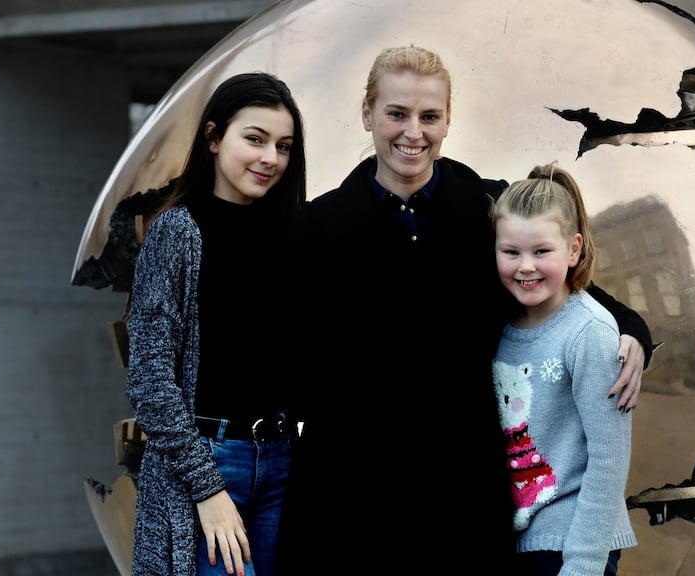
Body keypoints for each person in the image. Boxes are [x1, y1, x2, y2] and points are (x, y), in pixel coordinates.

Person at [276, 45, 651, 572]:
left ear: (448, 121)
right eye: (396, 114)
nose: (413, 132)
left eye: (429, 116)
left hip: (465, 510)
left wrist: (632, 330)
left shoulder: (482, 209)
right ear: (367, 114)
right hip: (349, 507)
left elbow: (564, 281)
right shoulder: (318, 227)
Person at [126, 71, 307, 576]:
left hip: (282, 463)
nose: (270, 157)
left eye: (284, 145)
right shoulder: (177, 232)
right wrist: (207, 489)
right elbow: (149, 377)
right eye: (255, 138)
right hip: (207, 463)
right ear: (212, 138)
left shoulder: (294, 233)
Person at [492, 163, 637, 575]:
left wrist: (584, 564)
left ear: (573, 250)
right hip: (521, 541)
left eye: (542, 251)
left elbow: (609, 460)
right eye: (511, 252)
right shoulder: (500, 326)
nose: (526, 266)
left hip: (573, 545)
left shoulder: (589, 333)